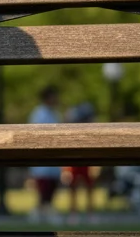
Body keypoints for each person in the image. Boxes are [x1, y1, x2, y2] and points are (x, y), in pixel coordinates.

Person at [27, 85, 63, 224]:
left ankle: (41, 213)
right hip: (43, 161)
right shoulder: (39, 114)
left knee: (51, 190)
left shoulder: (54, 113)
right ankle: (40, 214)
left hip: (52, 161)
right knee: (44, 191)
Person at [63, 101, 98, 224]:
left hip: (85, 158)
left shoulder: (89, 127)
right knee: (74, 187)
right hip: (75, 158)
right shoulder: (72, 124)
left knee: (88, 187)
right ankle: (74, 213)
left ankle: (89, 213)